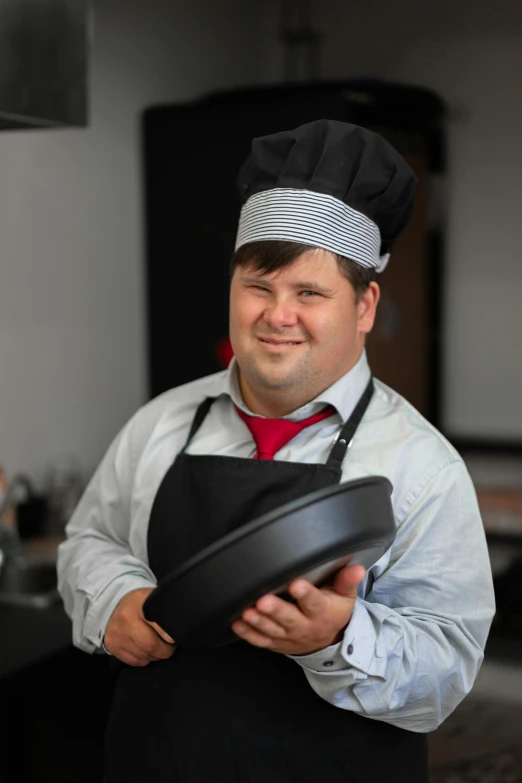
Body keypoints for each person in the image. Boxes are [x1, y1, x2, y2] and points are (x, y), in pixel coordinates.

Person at [57, 119, 495, 783]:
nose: (276, 315)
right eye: (258, 286)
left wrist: (337, 637)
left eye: (309, 293)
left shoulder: (420, 466)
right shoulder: (163, 422)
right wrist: (114, 597)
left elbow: (445, 674)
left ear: (366, 304)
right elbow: (89, 539)